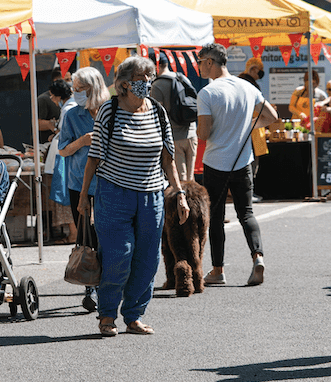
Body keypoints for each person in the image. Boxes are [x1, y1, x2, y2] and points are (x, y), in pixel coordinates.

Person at [77, 56, 185, 337]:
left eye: (149, 77)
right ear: (124, 83)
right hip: (114, 194)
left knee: (148, 259)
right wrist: (84, 195)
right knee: (118, 255)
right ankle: (107, 314)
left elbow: (168, 159)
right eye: (140, 78)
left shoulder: (158, 112)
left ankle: (134, 316)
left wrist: (180, 193)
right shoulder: (109, 111)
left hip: (152, 196)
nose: (146, 83)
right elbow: (94, 157)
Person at [195, 42, 279, 287]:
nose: (199, 67)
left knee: (216, 216)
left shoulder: (207, 93)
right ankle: (258, 257)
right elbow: (272, 117)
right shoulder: (247, 87)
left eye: (200, 62)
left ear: (210, 62)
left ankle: (218, 270)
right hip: (243, 161)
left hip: (215, 162)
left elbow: (203, 133)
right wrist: (247, 127)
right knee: (246, 213)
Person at [57, 66, 109, 312]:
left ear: (94, 88)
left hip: (110, 181)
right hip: (79, 183)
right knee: (86, 236)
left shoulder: (111, 111)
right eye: (74, 89)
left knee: (107, 233)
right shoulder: (71, 115)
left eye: (80, 89)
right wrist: (82, 141)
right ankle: (91, 287)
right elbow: (62, 149)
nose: (75, 93)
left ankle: (108, 283)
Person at [151, 54, 198, 182]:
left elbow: (157, 114)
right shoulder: (182, 78)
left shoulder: (157, 85)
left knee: (180, 179)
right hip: (191, 133)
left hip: (174, 137)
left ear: (156, 66)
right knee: (190, 178)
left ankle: (185, 196)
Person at [37, 78, 65, 143]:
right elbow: (37, 124)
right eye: (66, 80)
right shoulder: (43, 99)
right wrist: (52, 126)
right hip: (46, 143)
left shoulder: (68, 103)